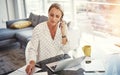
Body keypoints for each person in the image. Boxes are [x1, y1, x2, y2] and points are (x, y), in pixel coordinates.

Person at [25, 3, 71, 75]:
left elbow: (66, 50)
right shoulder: (38, 29)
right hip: (44, 64)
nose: (53, 18)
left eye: (57, 16)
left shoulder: (63, 29)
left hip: (60, 63)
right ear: (48, 14)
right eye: (51, 15)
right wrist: (31, 63)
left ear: (61, 18)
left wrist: (63, 33)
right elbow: (32, 49)